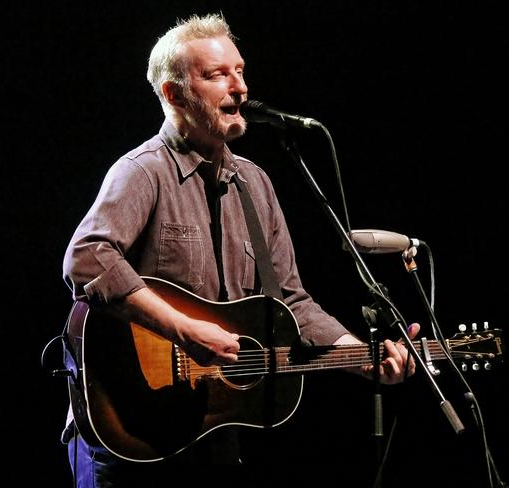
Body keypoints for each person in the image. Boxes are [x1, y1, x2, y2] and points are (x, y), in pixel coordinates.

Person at [61, 12, 420, 486]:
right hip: (131, 427)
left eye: (240, 70)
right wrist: (186, 330)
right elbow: (87, 259)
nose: (240, 88)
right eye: (217, 75)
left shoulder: (254, 183)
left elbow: (289, 301)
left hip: (211, 431)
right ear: (174, 94)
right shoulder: (142, 171)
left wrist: (361, 355)